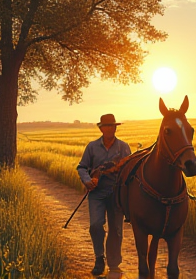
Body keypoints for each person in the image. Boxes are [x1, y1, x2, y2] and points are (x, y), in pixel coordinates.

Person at [77, 113, 131, 276]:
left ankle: (114, 264)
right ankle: (99, 258)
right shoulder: (92, 147)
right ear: (101, 129)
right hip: (97, 193)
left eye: (112, 126)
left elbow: (129, 169)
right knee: (95, 225)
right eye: (106, 126)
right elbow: (81, 167)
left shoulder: (123, 147)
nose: (109, 129)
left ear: (115, 128)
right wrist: (87, 181)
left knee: (116, 229)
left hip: (116, 193)